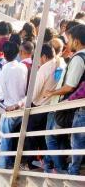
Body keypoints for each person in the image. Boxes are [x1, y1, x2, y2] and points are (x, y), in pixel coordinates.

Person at [44, 24, 85, 174]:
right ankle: (53, 167)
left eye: (70, 40)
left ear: (77, 41)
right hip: (71, 106)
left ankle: (62, 170)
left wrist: (52, 93)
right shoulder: (78, 57)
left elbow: (70, 86)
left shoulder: (79, 59)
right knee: (60, 139)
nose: (68, 43)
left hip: (67, 105)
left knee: (52, 138)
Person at [0, 41, 28, 169]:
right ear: (17, 53)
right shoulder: (23, 67)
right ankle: (11, 163)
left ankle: (2, 165)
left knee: (5, 139)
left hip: (9, 109)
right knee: (16, 140)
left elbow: (1, 96)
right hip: (21, 107)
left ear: (4, 54)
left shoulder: (3, 71)